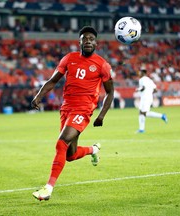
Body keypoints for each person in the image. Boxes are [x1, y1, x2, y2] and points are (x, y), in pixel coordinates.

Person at [31, 26, 114, 201]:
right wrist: (38, 96)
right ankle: (94, 149)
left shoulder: (102, 65)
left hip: (83, 109)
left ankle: (48, 189)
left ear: (96, 43)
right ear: (80, 42)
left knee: (61, 144)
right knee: (70, 155)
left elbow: (110, 92)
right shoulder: (69, 59)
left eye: (92, 39)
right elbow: (53, 80)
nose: (88, 41)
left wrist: (101, 115)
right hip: (66, 108)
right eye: (85, 38)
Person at [136, 69, 167, 133]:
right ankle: (141, 129)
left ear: (143, 73)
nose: (139, 74)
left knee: (144, 113)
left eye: (140, 73)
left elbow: (143, 87)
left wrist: (138, 89)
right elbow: (155, 90)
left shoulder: (142, 79)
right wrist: (149, 92)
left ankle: (162, 116)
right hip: (148, 97)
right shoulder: (150, 80)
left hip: (145, 98)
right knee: (141, 112)